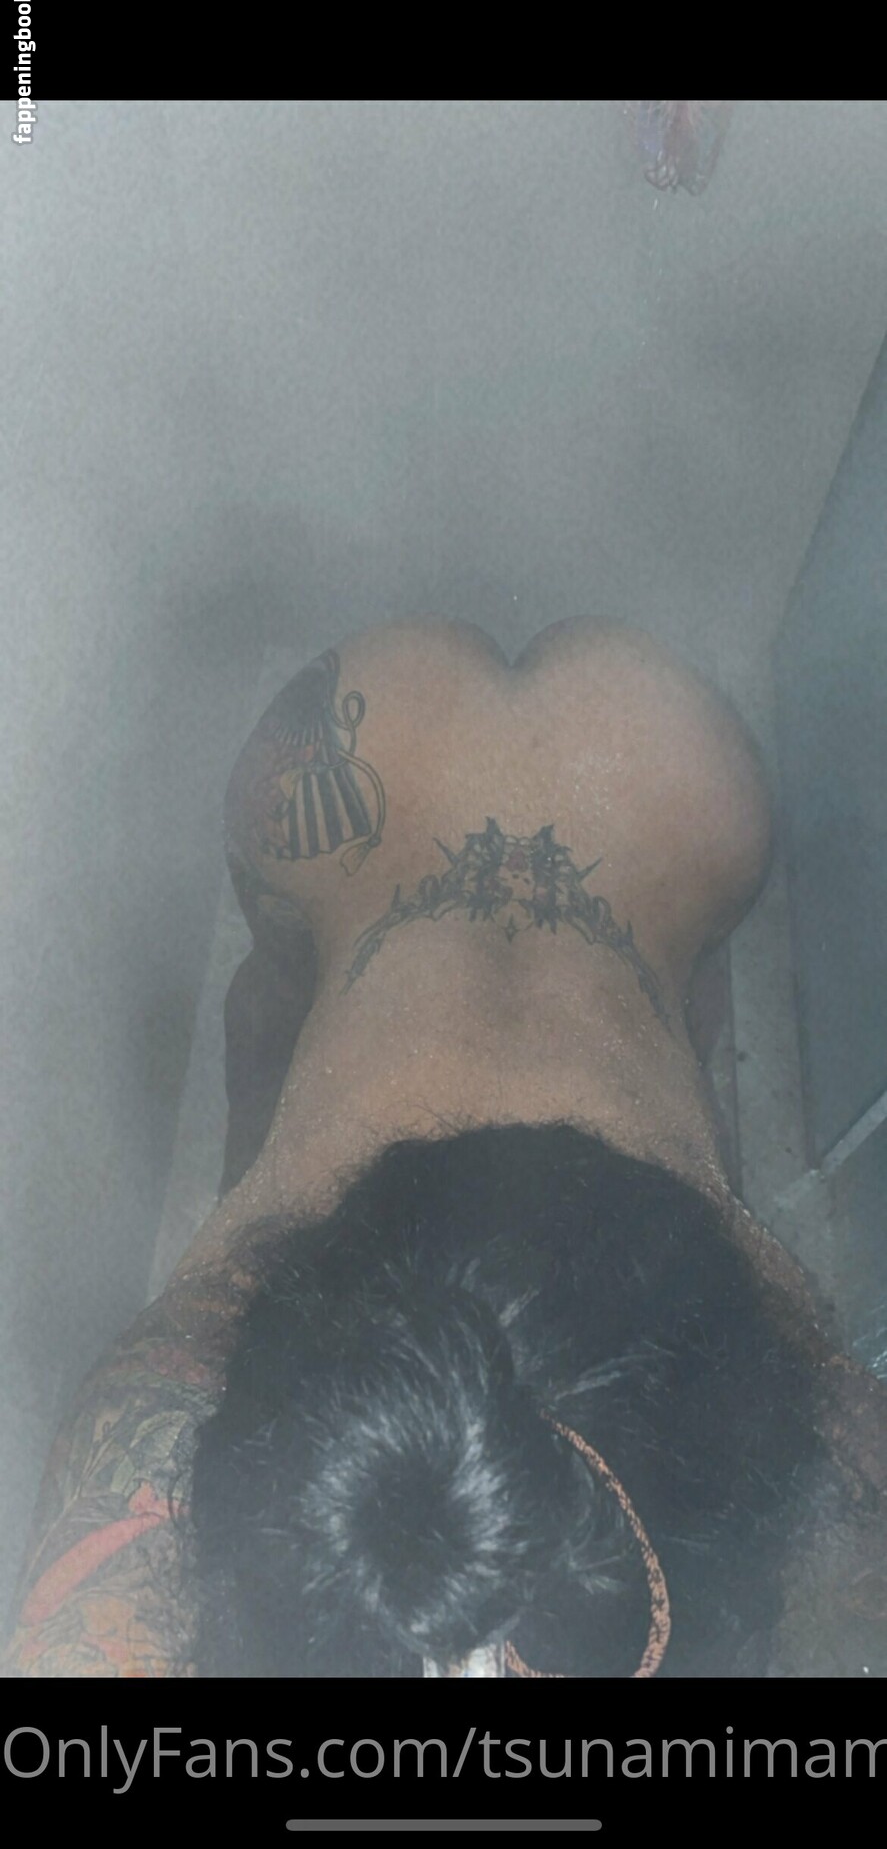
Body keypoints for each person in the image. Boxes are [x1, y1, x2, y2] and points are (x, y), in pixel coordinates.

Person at [5, 616, 887, 1678]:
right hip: (645, 759)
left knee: (285, 999)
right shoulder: (175, 1374)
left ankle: (652, 1023)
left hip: (543, 756)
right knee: (672, 1013)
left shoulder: (781, 1393)